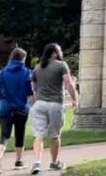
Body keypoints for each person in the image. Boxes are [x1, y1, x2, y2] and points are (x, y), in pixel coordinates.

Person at [29, 43, 78, 174]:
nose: (61, 53)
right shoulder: (61, 65)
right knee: (55, 135)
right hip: (55, 104)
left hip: (39, 104)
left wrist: (34, 101)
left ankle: (37, 162)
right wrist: (75, 99)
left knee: (38, 135)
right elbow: (68, 83)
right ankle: (54, 162)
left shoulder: (38, 68)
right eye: (60, 51)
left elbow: (33, 87)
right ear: (55, 53)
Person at [0, 47, 33, 174]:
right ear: (23, 59)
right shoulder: (27, 72)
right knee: (19, 135)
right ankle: (18, 161)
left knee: (4, 136)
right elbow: (29, 92)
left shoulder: (2, 73)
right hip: (21, 108)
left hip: (5, 108)